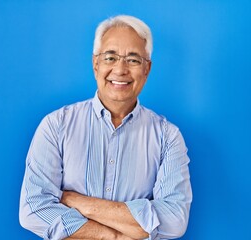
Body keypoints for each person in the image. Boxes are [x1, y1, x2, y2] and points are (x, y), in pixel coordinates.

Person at [19, 15, 192, 240]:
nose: (120, 70)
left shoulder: (168, 137)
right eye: (110, 57)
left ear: (147, 68)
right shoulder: (56, 125)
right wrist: (114, 236)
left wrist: (80, 203)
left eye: (133, 60)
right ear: (95, 64)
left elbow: (174, 220)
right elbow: (33, 209)